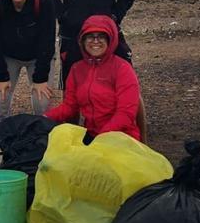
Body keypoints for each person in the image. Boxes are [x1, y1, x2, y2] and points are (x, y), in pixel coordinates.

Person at [44, 15, 141, 143]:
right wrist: (44, 117)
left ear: (110, 40)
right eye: (90, 36)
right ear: (82, 41)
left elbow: (125, 114)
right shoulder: (76, 69)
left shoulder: (122, 69)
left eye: (101, 36)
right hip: (92, 134)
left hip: (122, 137)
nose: (95, 41)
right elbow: (70, 107)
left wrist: (102, 137)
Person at [0, 0, 56, 126]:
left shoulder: (45, 3)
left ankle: (43, 139)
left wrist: (40, 79)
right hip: (8, 56)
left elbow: (47, 42)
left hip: (38, 56)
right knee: (0, 99)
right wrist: (2, 76)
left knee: (42, 103)